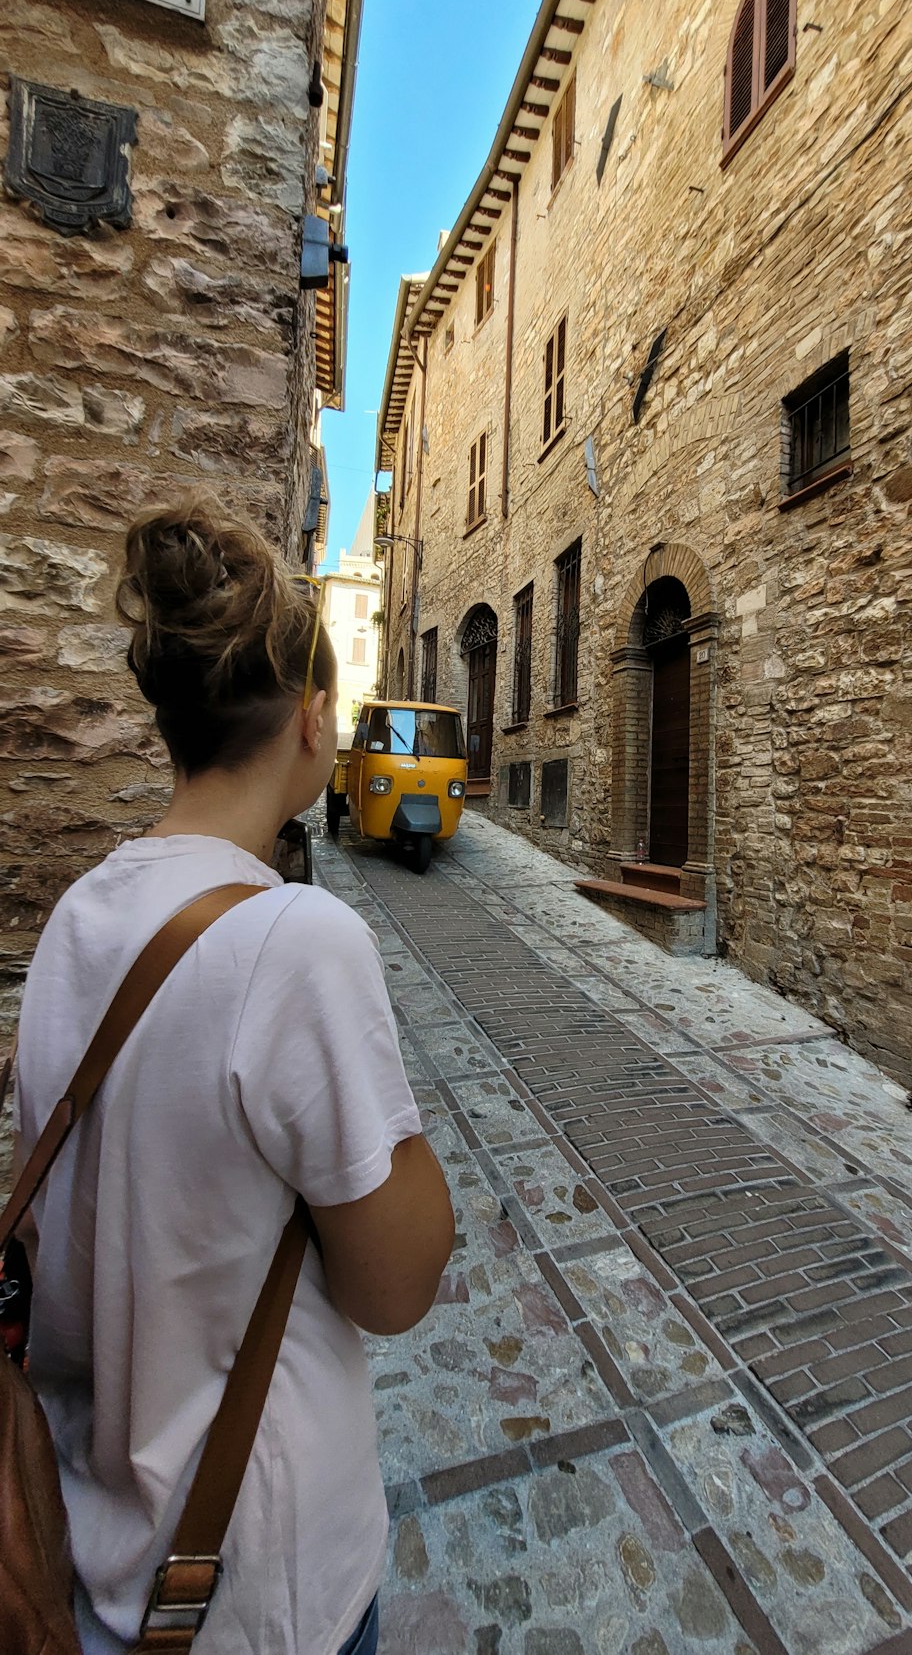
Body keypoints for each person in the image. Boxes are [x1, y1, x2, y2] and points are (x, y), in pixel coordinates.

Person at [12, 497, 455, 1655]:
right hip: (258, 1581)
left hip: (96, 1539)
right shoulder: (299, 942)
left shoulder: (80, 915)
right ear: (313, 718)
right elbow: (398, 1286)